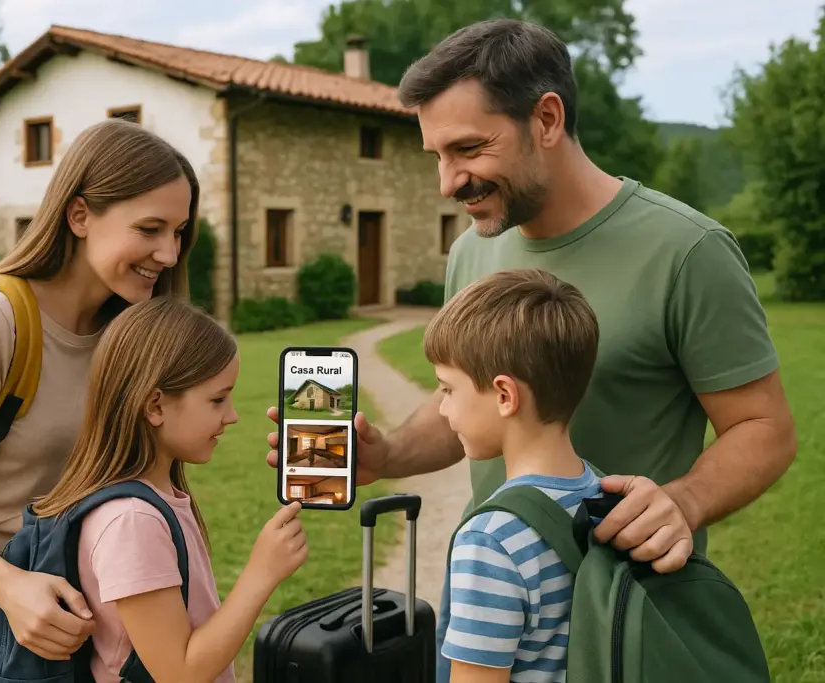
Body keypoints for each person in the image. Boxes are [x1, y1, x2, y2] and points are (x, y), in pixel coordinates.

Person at [264, 11, 796, 647]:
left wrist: (682, 503)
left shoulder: (688, 251)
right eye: (437, 155)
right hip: (487, 601)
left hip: (620, 617)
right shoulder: (472, 250)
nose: (447, 182)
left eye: (469, 148)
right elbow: (472, 402)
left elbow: (764, 428)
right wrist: (389, 455)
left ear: (546, 119)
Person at [0, 119, 202, 683]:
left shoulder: (128, 329)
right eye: (151, 228)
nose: (170, 253)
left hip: (75, 596)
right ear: (79, 215)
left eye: (179, 232)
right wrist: (11, 588)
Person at [31, 296, 308, 683]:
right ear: (156, 406)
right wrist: (262, 573)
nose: (232, 416)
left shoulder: (157, 500)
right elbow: (179, 673)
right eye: (217, 400)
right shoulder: (131, 522)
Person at [424, 268, 603, 683]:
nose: (442, 409)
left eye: (447, 389)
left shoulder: (490, 541)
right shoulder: (605, 496)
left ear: (505, 395)